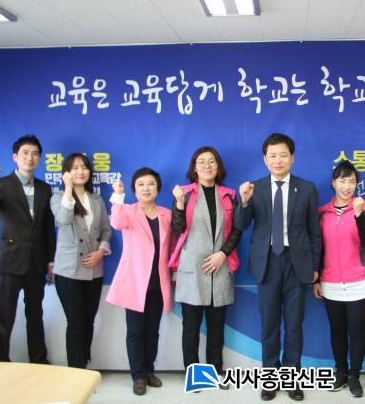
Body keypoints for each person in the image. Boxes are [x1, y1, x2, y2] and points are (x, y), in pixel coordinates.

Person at [235, 133, 322, 402]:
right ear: (265, 159)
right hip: (267, 264)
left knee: (294, 326)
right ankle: (270, 378)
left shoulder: (306, 188)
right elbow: (240, 225)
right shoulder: (255, 188)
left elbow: (314, 232)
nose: (278, 160)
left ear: (292, 158)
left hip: (298, 264)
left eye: (283, 155)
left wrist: (315, 266)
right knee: (269, 325)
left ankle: (292, 378)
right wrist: (244, 201)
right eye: (272, 155)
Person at [169, 146, 241, 385]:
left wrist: (223, 254)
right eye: (201, 162)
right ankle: (194, 374)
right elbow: (177, 229)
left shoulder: (229, 195)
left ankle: (215, 371)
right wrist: (179, 204)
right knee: (191, 328)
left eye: (211, 161)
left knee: (216, 328)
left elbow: (237, 230)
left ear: (218, 166)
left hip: (220, 267)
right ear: (194, 167)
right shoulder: (185, 194)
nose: (207, 166)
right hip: (192, 269)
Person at [0, 134, 55, 363]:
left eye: (35, 154)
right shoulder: (1, 184)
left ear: (39, 158)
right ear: (15, 157)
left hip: (36, 261)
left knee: (35, 315)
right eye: (25, 153)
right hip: (9, 261)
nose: (30, 158)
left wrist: (50, 262)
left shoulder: (44, 188)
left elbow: (48, 228)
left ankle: (39, 361)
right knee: (4, 317)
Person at [106, 168, 173, 396]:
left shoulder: (166, 214)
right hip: (135, 282)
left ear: (158, 188)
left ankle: (149, 370)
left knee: (152, 331)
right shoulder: (127, 211)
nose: (146, 188)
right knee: (135, 331)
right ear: (134, 189)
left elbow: (172, 245)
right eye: (141, 184)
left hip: (158, 282)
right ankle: (138, 376)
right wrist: (118, 196)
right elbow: (116, 223)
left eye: (151, 184)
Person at [312, 161, 365, 398]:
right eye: (342, 181)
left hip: (360, 280)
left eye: (352, 181)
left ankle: (354, 375)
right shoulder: (321, 212)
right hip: (330, 281)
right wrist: (316, 279)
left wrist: (359, 214)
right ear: (333, 183)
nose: (347, 186)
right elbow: (317, 248)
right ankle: (340, 371)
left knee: (357, 331)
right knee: (337, 330)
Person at [51, 153, 111, 369]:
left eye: (84, 167)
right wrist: (68, 188)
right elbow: (63, 218)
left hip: (94, 269)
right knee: (76, 322)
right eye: (75, 168)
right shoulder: (58, 197)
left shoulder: (96, 199)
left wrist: (101, 252)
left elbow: (107, 229)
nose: (80, 171)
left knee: (89, 320)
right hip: (68, 270)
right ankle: (75, 371)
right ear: (66, 173)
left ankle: (83, 363)